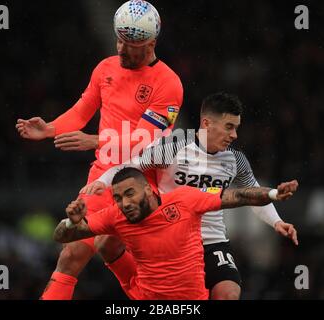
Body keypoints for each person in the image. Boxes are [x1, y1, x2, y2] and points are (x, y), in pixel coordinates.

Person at [15, 0, 183, 300]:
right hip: (102, 176)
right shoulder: (105, 68)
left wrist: (95, 141)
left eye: (131, 44)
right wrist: (50, 128)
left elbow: (146, 138)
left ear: (151, 43)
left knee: (133, 259)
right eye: (119, 39)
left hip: (146, 181)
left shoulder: (168, 83)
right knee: (71, 255)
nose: (121, 49)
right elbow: (81, 111)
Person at [82, 92, 299, 300]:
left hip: (212, 239)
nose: (234, 135)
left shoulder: (236, 160)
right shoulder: (173, 147)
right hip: (174, 236)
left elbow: (252, 192)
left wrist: (277, 221)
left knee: (229, 293)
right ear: (207, 124)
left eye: (236, 128)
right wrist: (101, 182)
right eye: (229, 127)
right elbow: (128, 167)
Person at [55, 167, 298, 299]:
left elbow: (238, 195)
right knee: (104, 240)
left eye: (130, 194)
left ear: (149, 191)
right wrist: (70, 222)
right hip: (145, 297)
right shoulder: (116, 215)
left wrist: (274, 194)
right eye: (118, 197)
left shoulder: (184, 200)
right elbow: (61, 236)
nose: (124, 203)